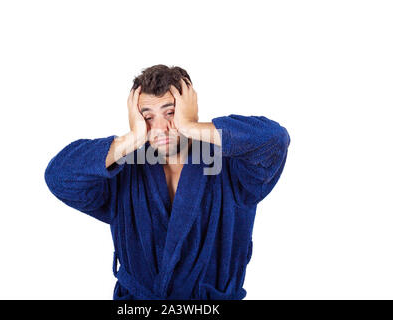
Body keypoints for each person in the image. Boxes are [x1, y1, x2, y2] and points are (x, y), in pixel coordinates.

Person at [44, 64, 291, 300]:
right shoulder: (125, 171)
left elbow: (275, 140)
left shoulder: (233, 168)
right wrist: (132, 139)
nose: (159, 128)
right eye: (147, 117)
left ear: (190, 109)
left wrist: (191, 126)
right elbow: (58, 176)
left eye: (170, 113)